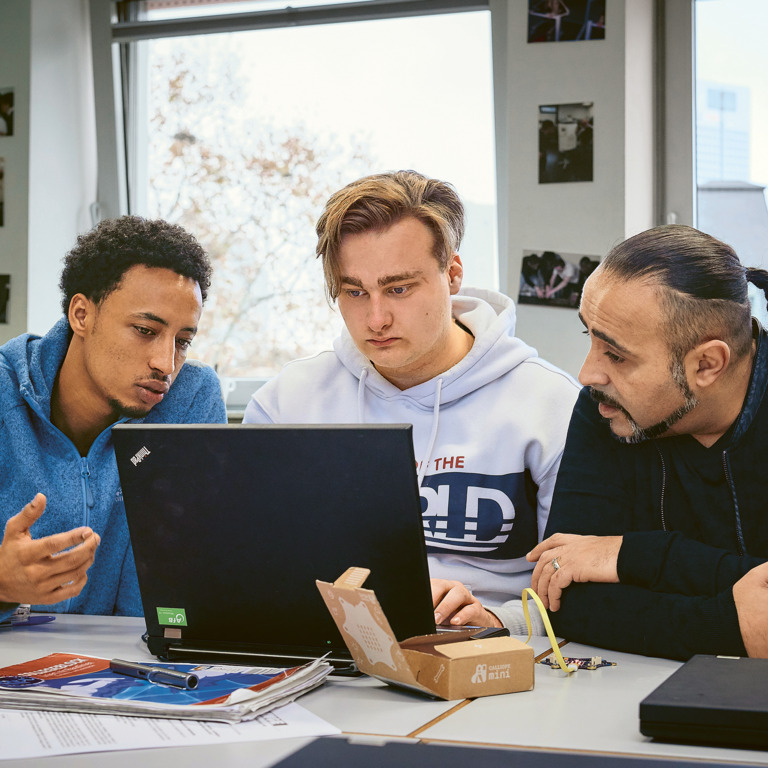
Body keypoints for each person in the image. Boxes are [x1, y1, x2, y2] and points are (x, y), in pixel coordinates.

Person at [243, 170, 580, 634]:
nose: (376, 318)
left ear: (453, 274)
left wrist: (496, 620)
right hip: (328, 651)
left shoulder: (552, 405)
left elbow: (577, 591)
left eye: (399, 288)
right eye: (355, 292)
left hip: (494, 654)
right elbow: (250, 565)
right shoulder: (287, 402)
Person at [527, 224, 768, 660]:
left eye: (616, 355)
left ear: (708, 364)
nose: (588, 375)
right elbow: (566, 602)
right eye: (590, 338)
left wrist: (633, 556)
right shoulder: (605, 408)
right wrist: (731, 626)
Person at [0, 216, 226, 621]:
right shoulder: (4, 394)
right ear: (82, 315)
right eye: (144, 330)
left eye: (183, 341)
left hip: (123, 668)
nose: (165, 364)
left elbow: (185, 583)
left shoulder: (191, 401)